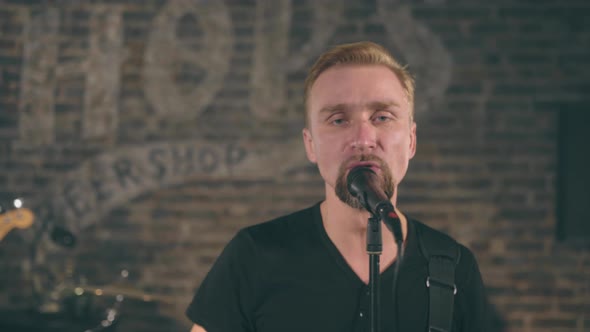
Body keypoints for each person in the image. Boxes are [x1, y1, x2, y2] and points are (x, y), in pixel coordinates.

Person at [186, 41, 488, 332]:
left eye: (382, 116)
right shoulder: (254, 255)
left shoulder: (454, 266)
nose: (363, 138)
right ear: (310, 145)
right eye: (339, 120)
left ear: (411, 140)